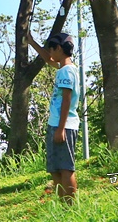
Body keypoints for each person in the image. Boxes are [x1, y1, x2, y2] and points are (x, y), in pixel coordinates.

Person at [26, 30, 80, 203]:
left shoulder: (66, 72)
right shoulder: (65, 68)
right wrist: (31, 41)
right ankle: (63, 203)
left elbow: (66, 100)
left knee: (65, 168)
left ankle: (69, 207)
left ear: (58, 48)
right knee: (54, 168)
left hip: (64, 125)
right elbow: (48, 59)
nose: (50, 53)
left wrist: (61, 128)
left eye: (51, 49)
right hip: (56, 124)